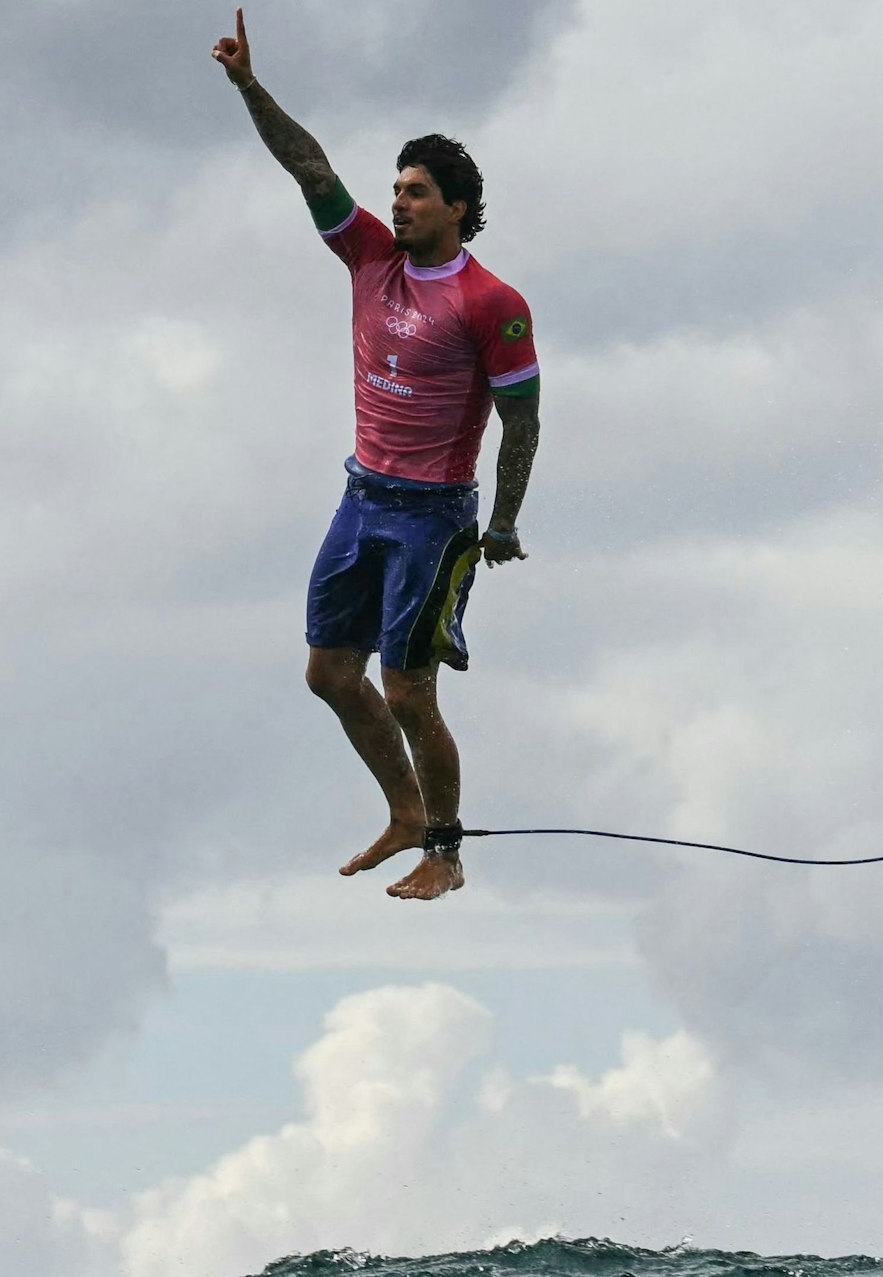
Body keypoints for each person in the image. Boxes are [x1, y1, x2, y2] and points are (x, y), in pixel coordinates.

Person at [213, 9, 542, 900]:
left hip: (434, 517)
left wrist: (504, 521)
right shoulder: (369, 257)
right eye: (396, 188)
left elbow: (523, 420)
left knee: (407, 689)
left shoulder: (491, 301)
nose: (397, 201)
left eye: (416, 192)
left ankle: (445, 847)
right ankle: (403, 809)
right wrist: (248, 85)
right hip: (362, 497)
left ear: (458, 209)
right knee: (328, 672)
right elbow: (309, 166)